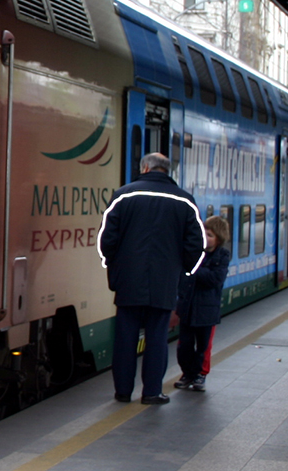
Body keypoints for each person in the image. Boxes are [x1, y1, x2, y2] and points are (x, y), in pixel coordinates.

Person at [98, 152, 206, 405]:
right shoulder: (185, 201)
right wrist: (183, 272)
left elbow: (107, 239)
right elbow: (196, 245)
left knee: (125, 338)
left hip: (128, 280)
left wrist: (112, 266)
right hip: (165, 282)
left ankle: (123, 391)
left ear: (145, 167)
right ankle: (152, 392)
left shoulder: (124, 195)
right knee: (157, 338)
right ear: (167, 170)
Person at [174, 215, 231, 392]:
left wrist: (195, 269)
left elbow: (215, 279)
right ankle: (187, 373)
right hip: (187, 307)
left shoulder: (222, 256)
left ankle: (200, 374)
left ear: (219, 239)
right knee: (184, 345)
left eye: (210, 235)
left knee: (203, 346)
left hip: (207, 310)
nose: (206, 238)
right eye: (204, 234)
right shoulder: (194, 253)